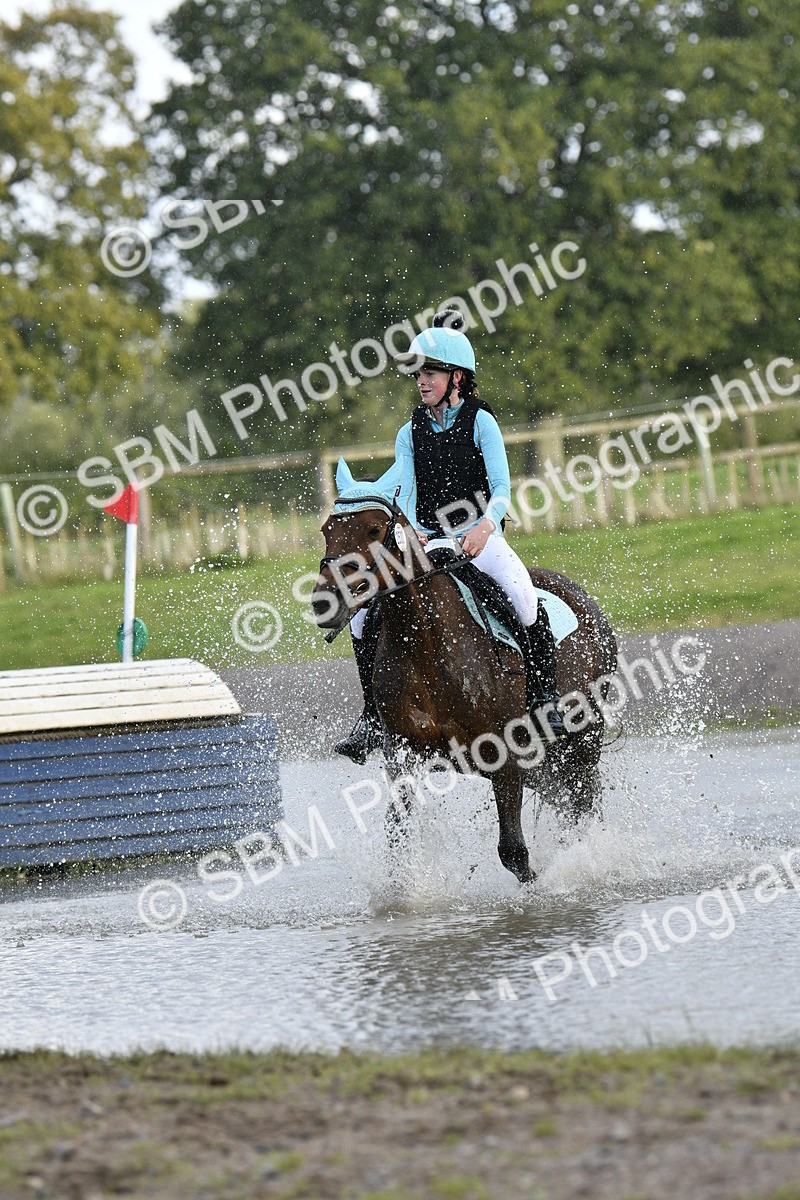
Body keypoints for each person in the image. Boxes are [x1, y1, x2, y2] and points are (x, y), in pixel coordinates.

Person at [334, 309, 566, 764]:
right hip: (430, 540)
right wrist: (397, 522)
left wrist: (485, 526)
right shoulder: (410, 431)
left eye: (431, 372)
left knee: (523, 596)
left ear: (457, 377)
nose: (422, 380)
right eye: (419, 372)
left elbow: (501, 489)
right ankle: (371, 720)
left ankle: (546, 699)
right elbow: (403, 486)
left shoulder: (482, 422)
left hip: (479, 537)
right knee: (362, 617)